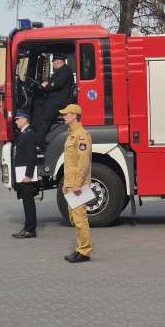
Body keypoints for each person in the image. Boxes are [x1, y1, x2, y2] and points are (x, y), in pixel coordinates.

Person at [60, 104, 92, 263]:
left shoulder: (81, 136)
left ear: (74, 116)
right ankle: (80, 247)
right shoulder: (71, 135)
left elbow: (83, 162)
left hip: (78, 186)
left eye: (66, 114)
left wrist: (78, 184)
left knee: (80, 219)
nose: (63, 116)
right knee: (73, 218)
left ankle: (84, 251)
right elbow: (70, 164)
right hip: (71, 185)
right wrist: (67, 184)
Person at [33, 53, 74, 148]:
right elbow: (53, 82)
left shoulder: (65, 70)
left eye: (53, 63)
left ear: (57, 62)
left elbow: (57, 84)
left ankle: (40, 142)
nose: (52, 65)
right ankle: (35, 129)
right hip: (54, 98)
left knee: (44, 117)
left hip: (59, 100)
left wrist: (46, 85)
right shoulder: (61, 71)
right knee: (38, 103)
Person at [12, 111, 38, 239]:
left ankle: (30, 229)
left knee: (28, 202)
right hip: (21, 173)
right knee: (26, 202)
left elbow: (32, 156)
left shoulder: (28, 134)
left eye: (18, 119)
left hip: (26, 174)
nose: (16, 122)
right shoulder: (23, 134)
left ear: (24, 120)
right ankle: (27, 227)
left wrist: (28, 175)